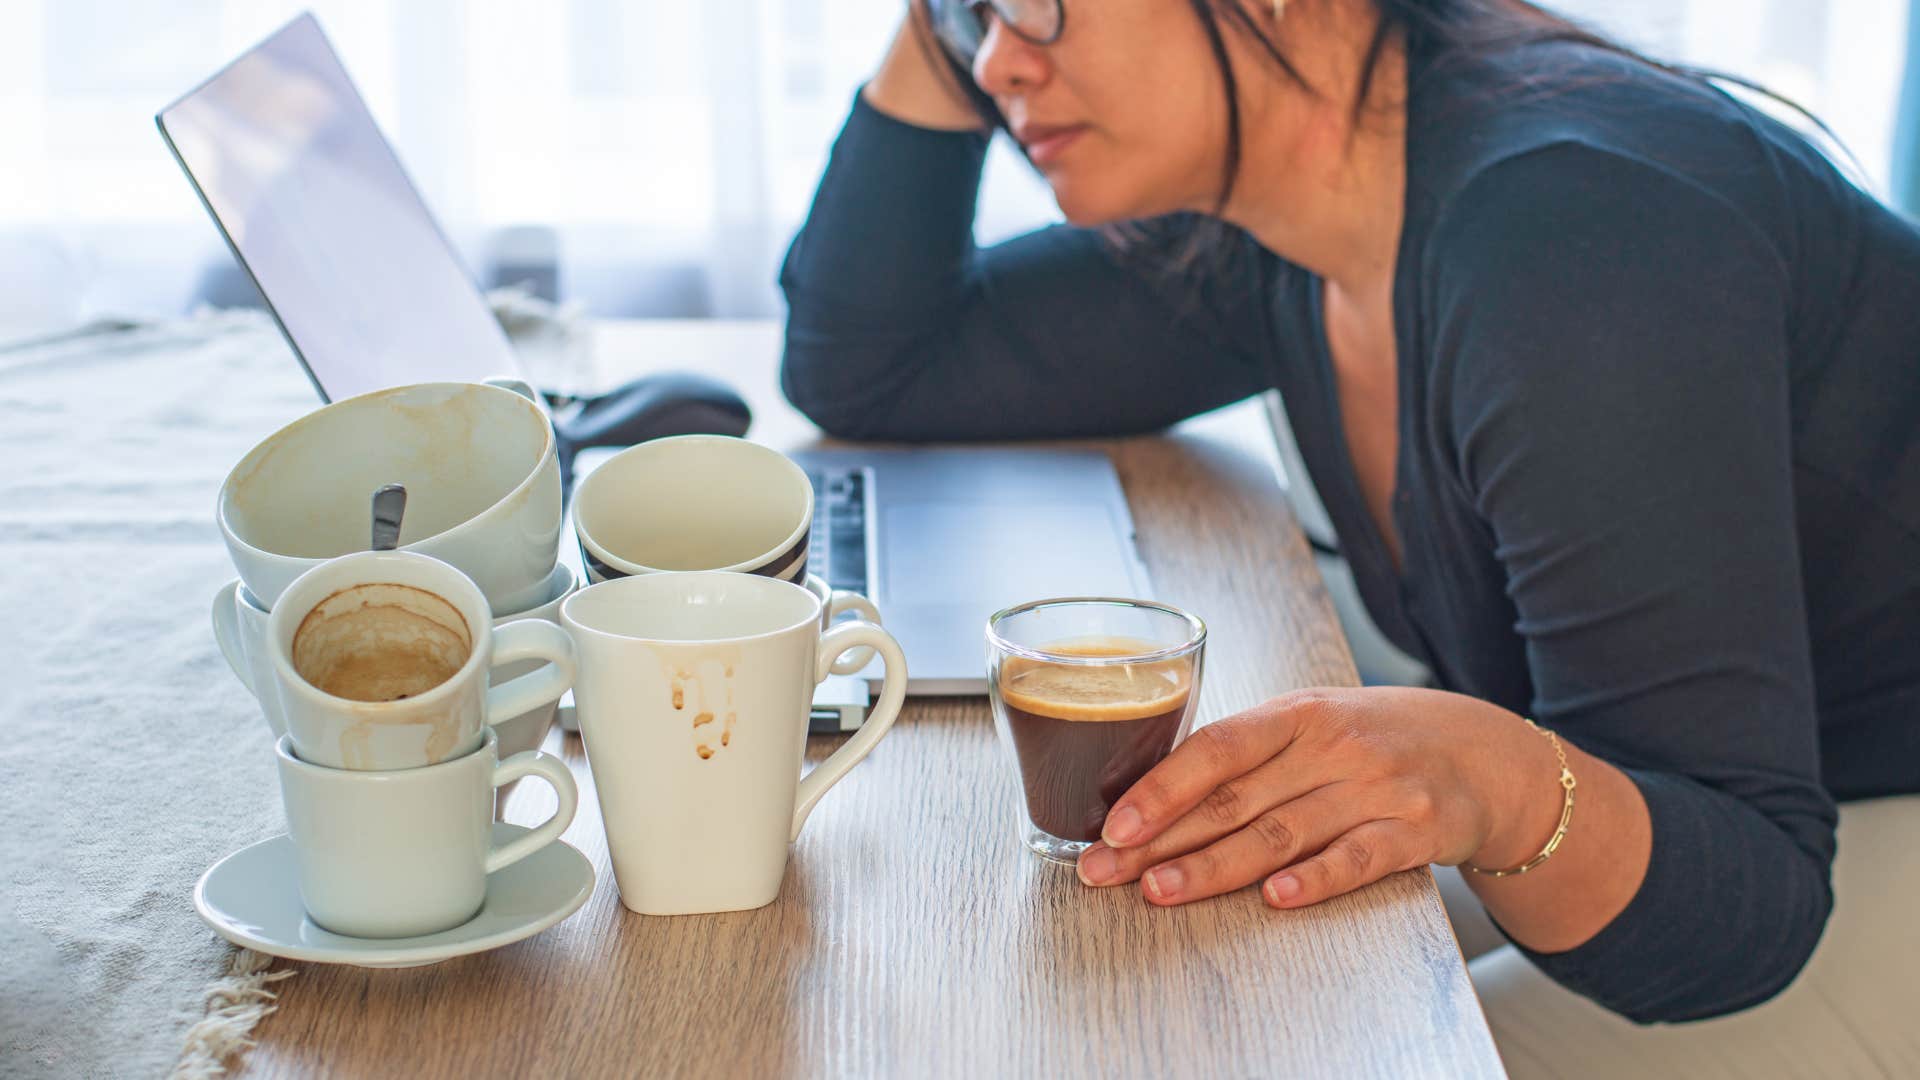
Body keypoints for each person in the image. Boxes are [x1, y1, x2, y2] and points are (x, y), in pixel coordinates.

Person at [778, 0, 1920, 1072]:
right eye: (972, 13)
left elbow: (1747, 913)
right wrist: (945, 21)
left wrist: (1498, 782)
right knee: (1166, 990)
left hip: (1841, 842)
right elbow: (874, 361)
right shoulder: (1285, 224)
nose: (993, 62)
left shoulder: (1572, 238)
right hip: (1705, 822)